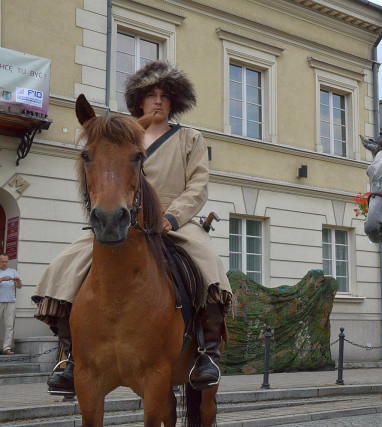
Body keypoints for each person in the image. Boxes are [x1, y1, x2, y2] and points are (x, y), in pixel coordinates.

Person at [32, 60, 232, 393]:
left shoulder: (189, 138)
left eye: (164, 96)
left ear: (174, 101)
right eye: (150, 95)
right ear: (139, 100)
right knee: (62, 267)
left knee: (207, 262)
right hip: (128, 220)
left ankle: (208, 352)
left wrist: (173, 216)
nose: (157, 101)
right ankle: (69, 354)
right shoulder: (122, 134)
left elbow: (198, 183)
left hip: (174, 222)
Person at [0, 253, 22, 355]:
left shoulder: (13, 271)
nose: (4, 264)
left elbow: (19, 286)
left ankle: (7, 348)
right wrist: (2, 279)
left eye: (6, 261)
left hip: (10, 302)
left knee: (9, 326)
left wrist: (17, 281)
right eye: (2, 262)